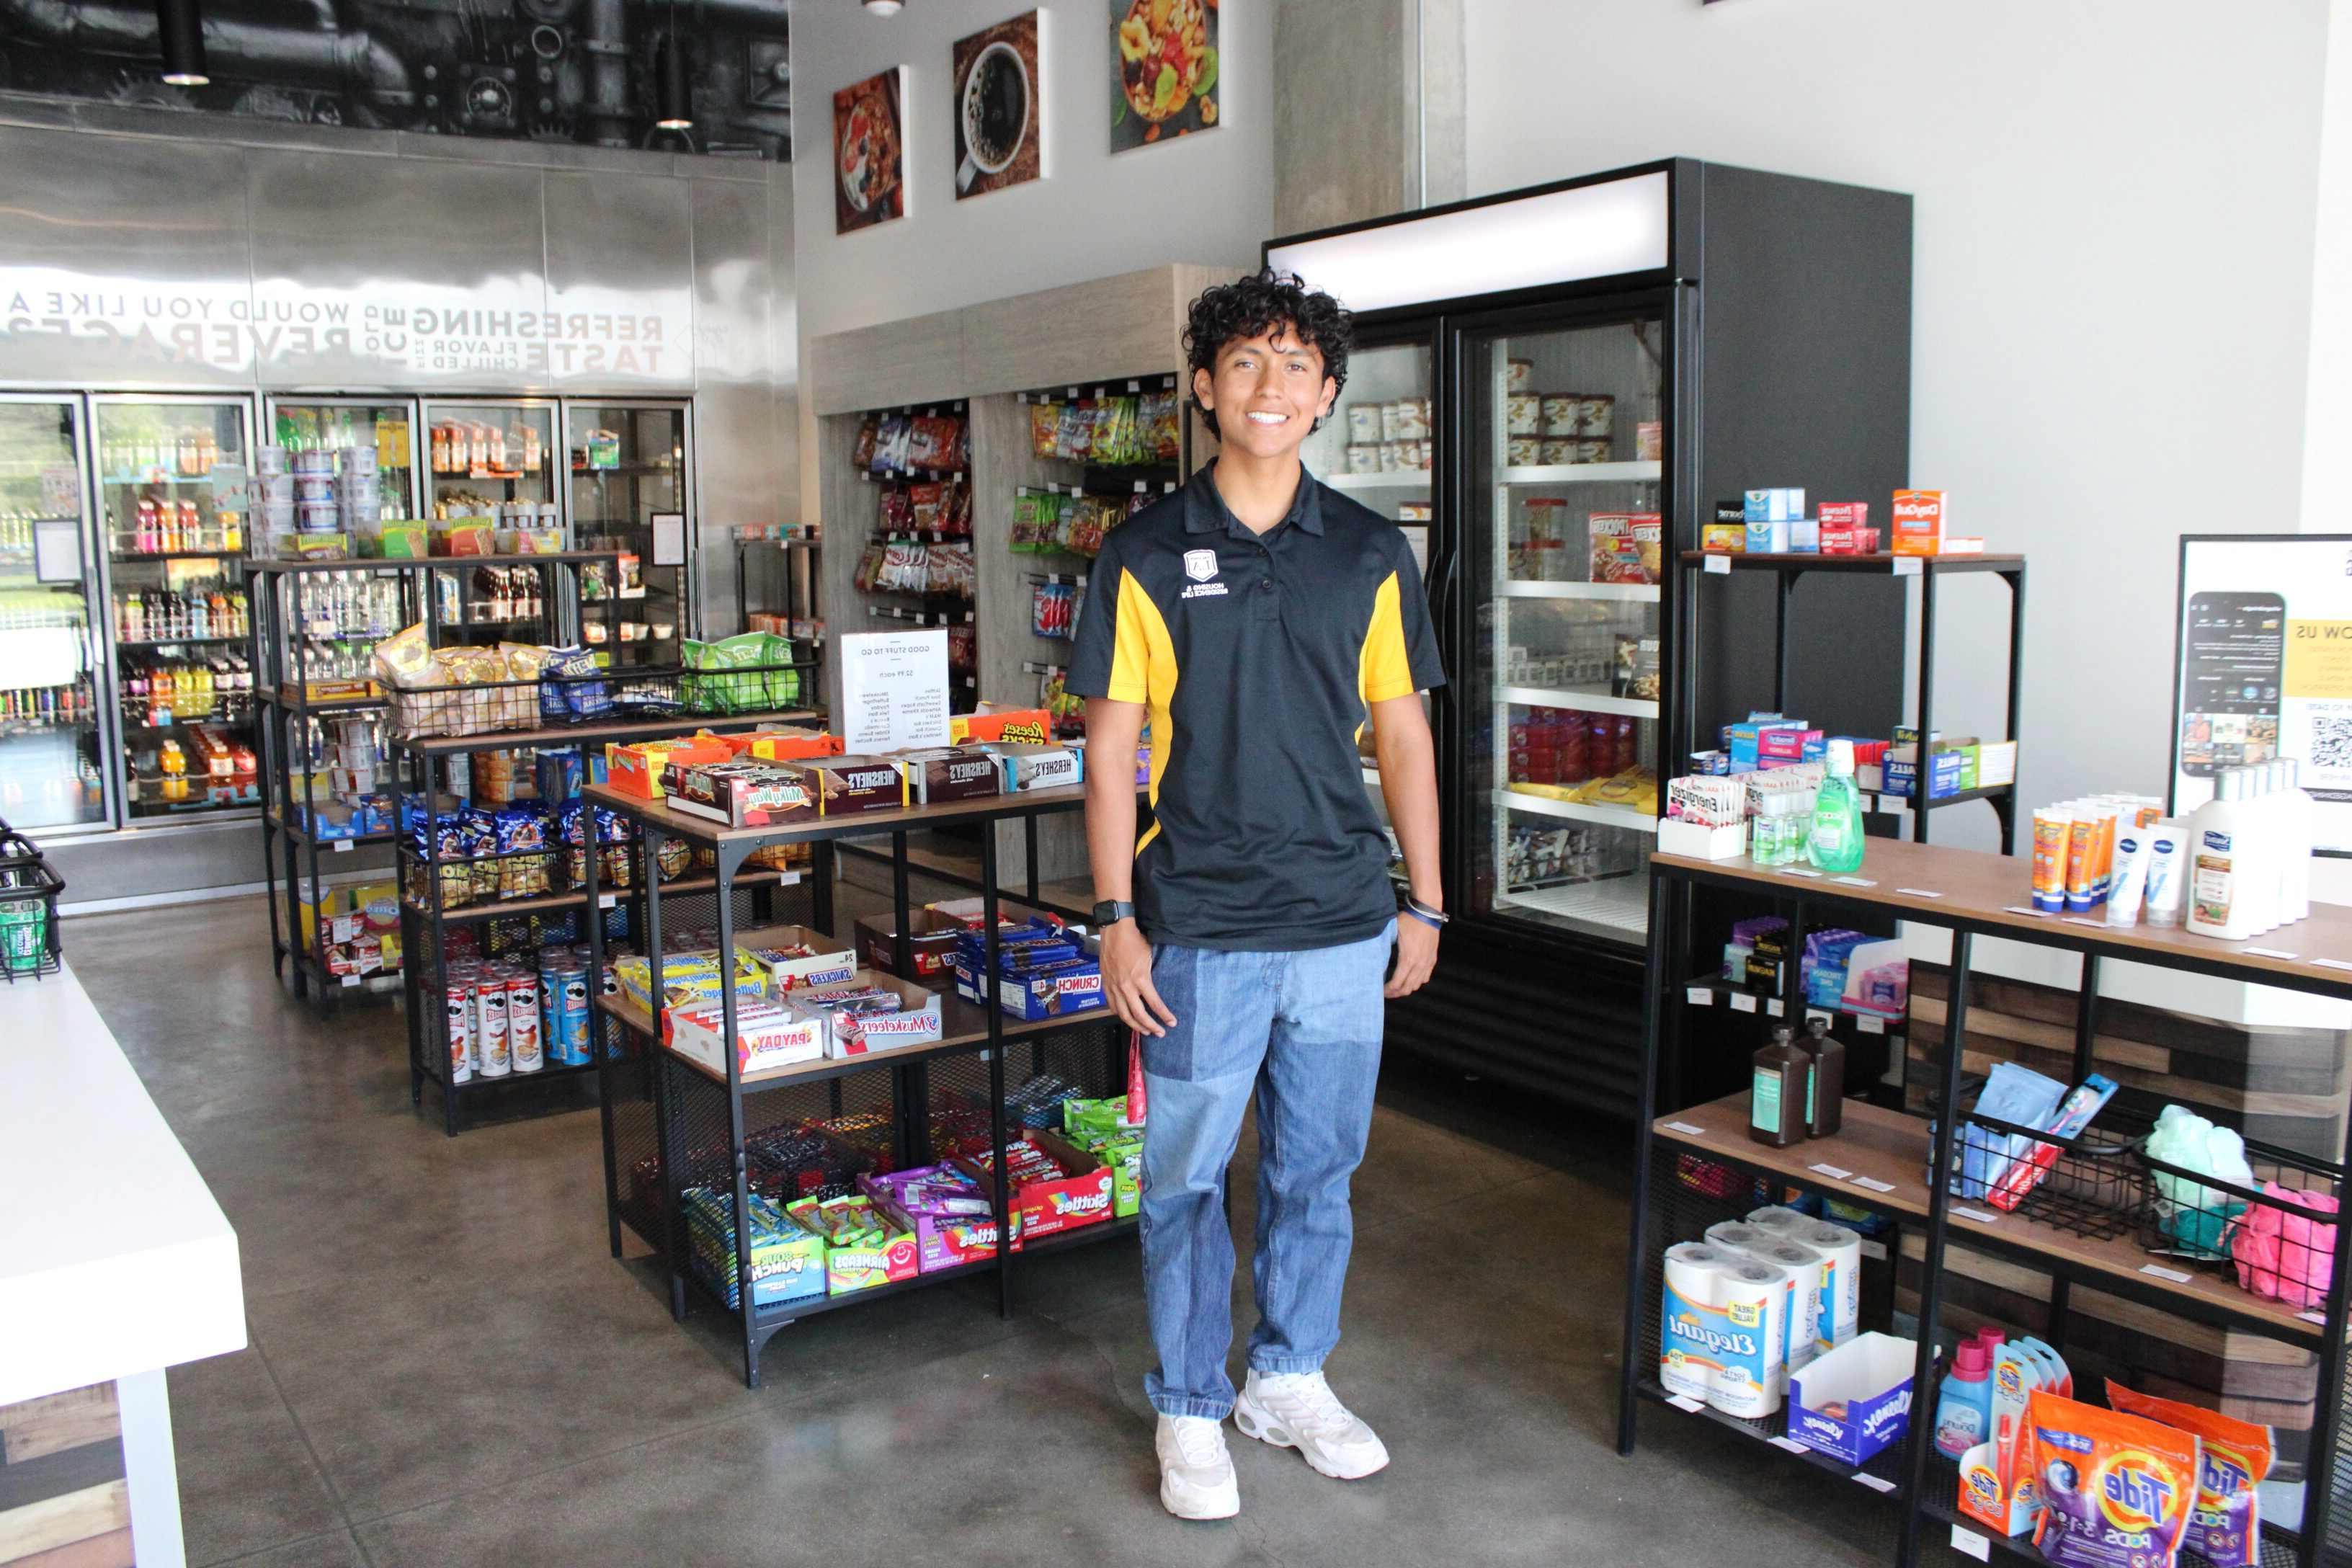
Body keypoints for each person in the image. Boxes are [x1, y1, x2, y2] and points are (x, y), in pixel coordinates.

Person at [1066, 270, 1446, 1520]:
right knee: (1184, 1179)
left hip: (1344, 925)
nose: (1269, 386)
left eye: (1294, 365)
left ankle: (1286, 1377)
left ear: (1327, 393)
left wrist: (1425, 901)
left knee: (1318, 1172)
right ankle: (1187, 1404)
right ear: (1203, 387)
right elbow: (1110, 753)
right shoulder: (1143, 556)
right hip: (1201, 930)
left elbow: (1402, 739)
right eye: (1244, 363)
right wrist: (1116, 918)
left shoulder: (1369, 551)